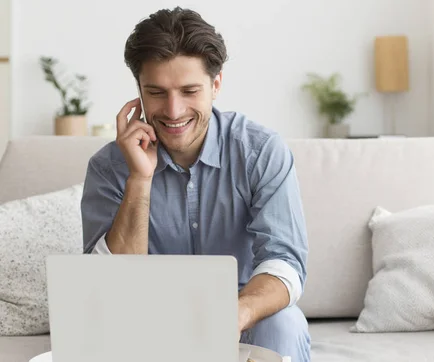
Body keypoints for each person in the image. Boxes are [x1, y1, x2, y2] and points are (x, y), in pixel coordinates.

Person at [80, 7, 311, 362]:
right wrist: (139, 179)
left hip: (243, 314)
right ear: (138, 91)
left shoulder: (261, 151)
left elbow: (285, 262)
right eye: (156, 92)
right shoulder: (109, 166)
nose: (173, 111)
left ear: (215, 85)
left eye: (189, 91)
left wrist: (238, 313)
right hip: (148, 326)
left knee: (284, 324)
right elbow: (111, 290)